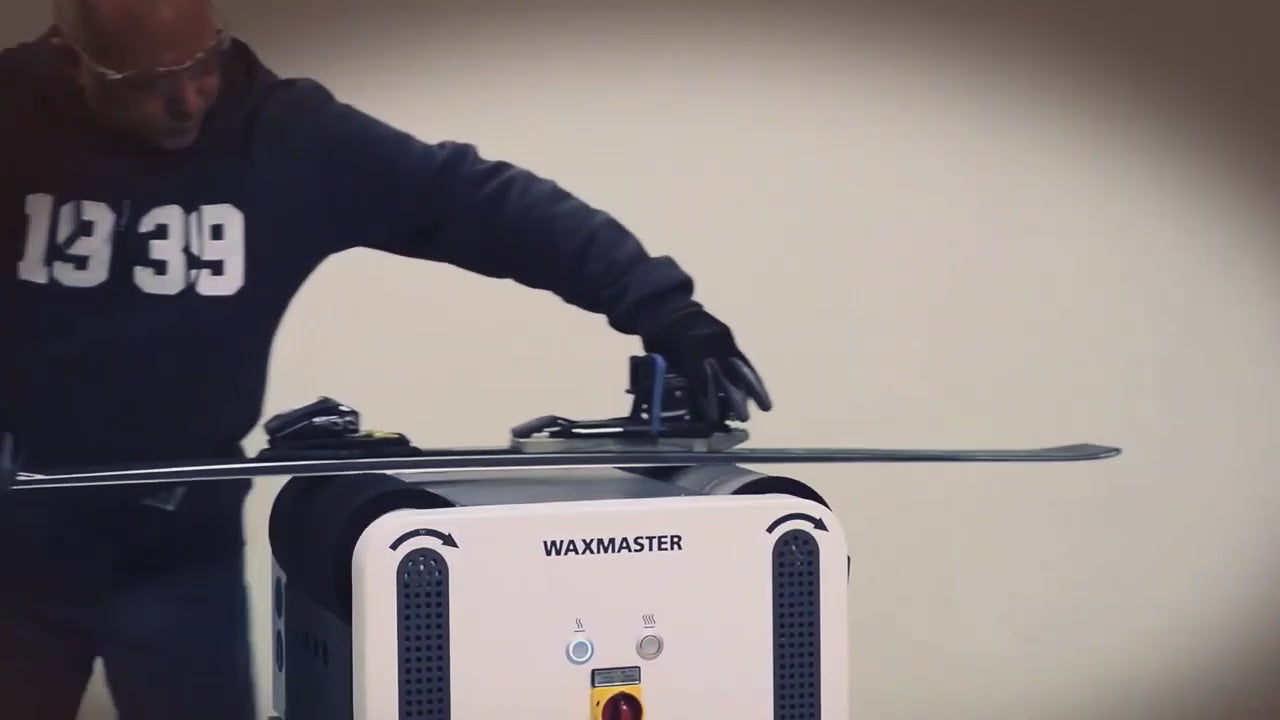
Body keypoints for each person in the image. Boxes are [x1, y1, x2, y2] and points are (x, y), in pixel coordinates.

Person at [0, 0, 772, 718]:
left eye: (205, 61)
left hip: (176, 551)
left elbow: (476, 203)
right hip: (15, 542)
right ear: (73, 62)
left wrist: (662, 307)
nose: (190, 98)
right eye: (151, 83)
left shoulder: (283, 138)